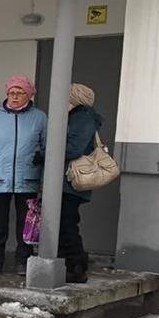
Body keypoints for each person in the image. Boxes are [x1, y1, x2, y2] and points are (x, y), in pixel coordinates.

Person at [0, 75, 48, 275]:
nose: (14, 97)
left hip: (28, 178)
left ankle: (23, 261)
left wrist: (39, 161)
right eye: (11, 93)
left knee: (25, 223)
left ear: (29, 94)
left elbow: (47, 145)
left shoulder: (39, 117)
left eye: (19, 93)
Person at [59, 83, 104, 284]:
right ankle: (71, 264)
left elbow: (74, 148)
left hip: (71, 181)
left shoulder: (81, 118)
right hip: (66, 180)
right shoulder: (79, 117)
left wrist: (45, 154)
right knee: (65, 223)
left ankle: (76, 266)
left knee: (67, 224)